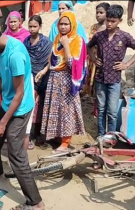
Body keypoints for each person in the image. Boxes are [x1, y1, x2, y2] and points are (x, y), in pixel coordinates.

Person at [0, 17, 45, 210]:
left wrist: (3, 122)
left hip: (20, 107)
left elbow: (19, 94)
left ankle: (36, 203)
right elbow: (2, 80)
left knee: (15, 151)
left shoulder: (15, 54)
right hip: (8, 102)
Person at [42, 11, 86, 153]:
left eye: (66, 24)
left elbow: (72, 65)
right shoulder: (57, 38)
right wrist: (44, 71)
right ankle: (58, 137)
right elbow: (53, 59)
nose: (63, 27)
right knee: (56, 110)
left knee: (67, 111)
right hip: (55, 79)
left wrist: (66, 45)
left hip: (68, 81)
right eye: (61, 24)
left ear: (72, 25)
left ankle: (66, 143)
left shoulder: (78, 41)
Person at [88, 5, 135, 137]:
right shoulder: (99, 36)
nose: (109, 23)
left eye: (112, 21)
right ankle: (101, 135)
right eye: (108, 20)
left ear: (120, 20)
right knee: (101, 109)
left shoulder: (124, 37)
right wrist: (93, 58)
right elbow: (88, 46)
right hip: (100, 78)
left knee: (112, 111)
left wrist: (126, 64)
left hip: (115, 80)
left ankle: (112, 136)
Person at [23, 15, 53, 148]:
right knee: (30, 106)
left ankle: (42, 136)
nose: (32, 29)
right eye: (30, 26)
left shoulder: (46, 42)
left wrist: (43, 71)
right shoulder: (26, 42)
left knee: (44, 106)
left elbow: (51, 60)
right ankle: (28, 135)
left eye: (35, 26)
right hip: (31, 77)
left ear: (40, 27)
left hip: (45, 77)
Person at [82, 2, 110, 118]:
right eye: (97, 12)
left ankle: (99, 110)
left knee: (102, 85)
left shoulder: (109, 28)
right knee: (93, 85)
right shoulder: (94, 27)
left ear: (107, 14)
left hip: (104, 60)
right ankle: (96, 109)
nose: (98, 15)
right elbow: (89, 43)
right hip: (93, 60)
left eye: (101, 12)